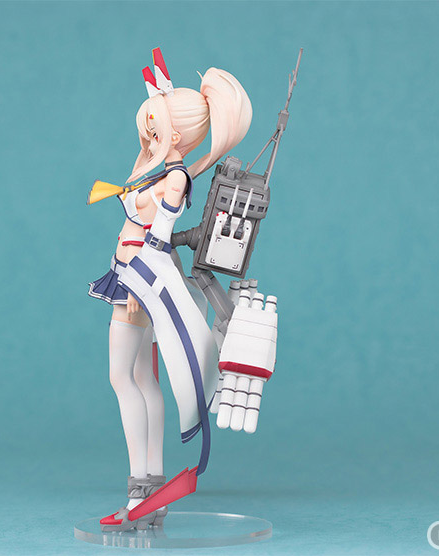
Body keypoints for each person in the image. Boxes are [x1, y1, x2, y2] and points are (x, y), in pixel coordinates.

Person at [88, 48, 252, 531]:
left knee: (123, 378)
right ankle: (149, 489)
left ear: (175, 134)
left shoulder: (173, 175)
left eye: (155, 128)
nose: (148, 136)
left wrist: (142, 267)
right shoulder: (161, 170)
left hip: (139, 276)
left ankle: (142, 486)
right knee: (141, 379)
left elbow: (158, 236)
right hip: (133, 272)